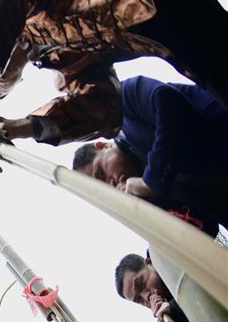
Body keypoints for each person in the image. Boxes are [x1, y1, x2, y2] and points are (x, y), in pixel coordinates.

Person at [0, 0, 228, 152]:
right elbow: (103, 107)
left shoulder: (19, 3)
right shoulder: (59, 59)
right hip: (176, 37)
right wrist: (20, 128)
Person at [71, 76, 228, 235]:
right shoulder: (149, 192)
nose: (111, 184)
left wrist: (150, 181)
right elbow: (206, 227)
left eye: (101, 174)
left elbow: (170, 102)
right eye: (107, 190)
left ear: (103, 146)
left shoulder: (119, 103)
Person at [114, 253, 192, 322]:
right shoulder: (168, 311)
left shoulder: (173, 258)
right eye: (139, 300)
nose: (146, 297)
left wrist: (174, 307)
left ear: (149, 262)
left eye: (141, 284)